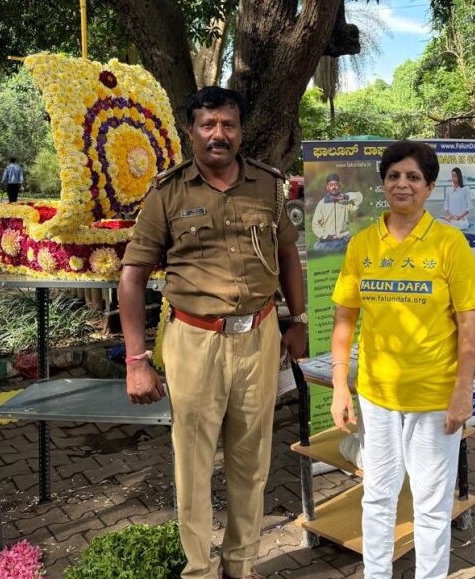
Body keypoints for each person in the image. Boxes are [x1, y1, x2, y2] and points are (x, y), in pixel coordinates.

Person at [118, 86, 306, 579]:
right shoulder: (167, 193)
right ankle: (198, 570)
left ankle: (240, 566)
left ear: (240, 131)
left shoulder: (268, 186)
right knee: (194, 464)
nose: (218, 134)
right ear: (192, 132)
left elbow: (288, 254)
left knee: (252, 462)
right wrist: (136, 362)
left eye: (228, 125)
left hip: (259, 337)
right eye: (208, 125)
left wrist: (299, 320)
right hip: (193, 341)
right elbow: (132, 278)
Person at [329, 140, 475, 579]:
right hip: (377, 396)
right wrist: (341, 387)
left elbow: (469, 328)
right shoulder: (362, 244)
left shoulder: (449, 244)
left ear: (430, 187)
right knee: (378, 496)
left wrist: (463, 393)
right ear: (383, 184)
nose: (403, 184)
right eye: (394, 176)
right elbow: (344, 320)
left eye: (413, 177)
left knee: (432, 505)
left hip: (434, 398)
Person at [311, 172, 363, 252]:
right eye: (331, 185)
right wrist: (326, 235)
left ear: (339, 186)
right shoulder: (322, 204)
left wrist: (345, 196)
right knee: (316, 247)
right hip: (329, 240)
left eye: (335, 184)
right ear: (327, 187)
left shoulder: (345, 201)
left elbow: (359, 197)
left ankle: (342, 248)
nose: (333, 187)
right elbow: (315, 224)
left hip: (344, 238)